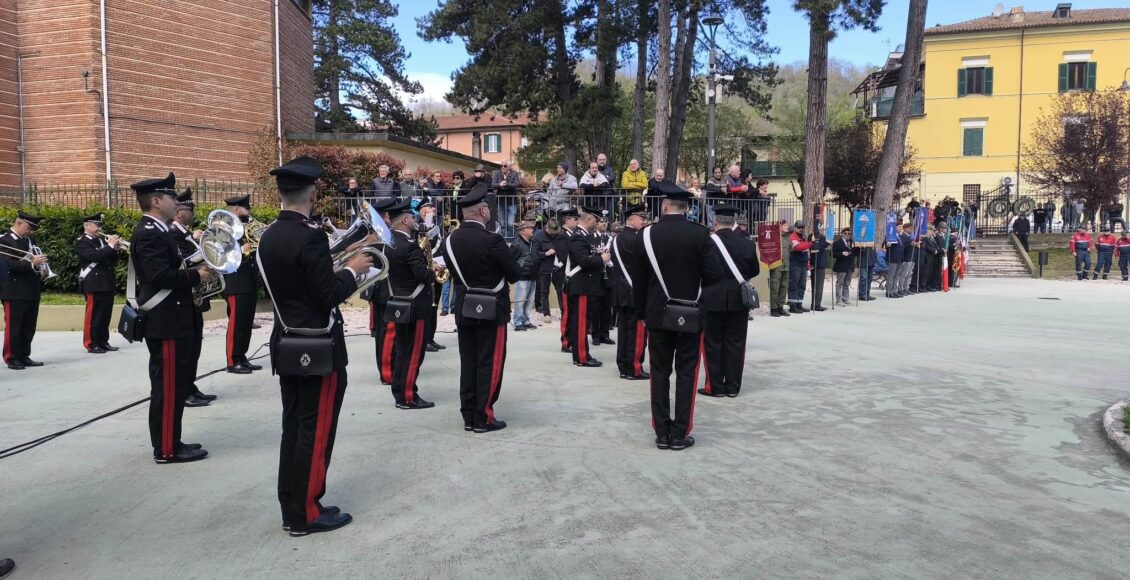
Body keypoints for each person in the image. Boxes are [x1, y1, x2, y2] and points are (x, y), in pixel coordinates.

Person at [258, 156, 372, 536]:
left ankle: (293, 503)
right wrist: (354, 269)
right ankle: (306, 512)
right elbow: (326, 295)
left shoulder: (270, 235)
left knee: (294, 427)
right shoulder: (310, 236)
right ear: (314, 190)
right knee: (316, 429)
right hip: (317, 347)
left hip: (286, 342)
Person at [130, 172, 216, 463]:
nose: (175, 202)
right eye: (170, 197)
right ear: (156, 200)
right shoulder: (149, 233)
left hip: (175, 320)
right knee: (167, 388)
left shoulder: (160, 230)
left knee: (175, 385)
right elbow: (158, 276)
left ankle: (172, 440)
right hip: (165, 323)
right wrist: (197, 275)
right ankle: (167, 449)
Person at [633, 181, 723, 450]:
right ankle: (681, 432)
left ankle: (662, 432)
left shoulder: (646, 235)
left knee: (659, 372)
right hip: (691, 314)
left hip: (657, 314)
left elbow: (639, 281)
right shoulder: (700, 235)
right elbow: (715, 276)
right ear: (686, 209)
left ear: (664, 205)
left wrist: (642, 313)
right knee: (687, 372)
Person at [439, 182, 522, 433]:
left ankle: (468, 414)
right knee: (489, 362)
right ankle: (483, 416)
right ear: (483, 211)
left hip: (465, 308)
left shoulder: (449, 241)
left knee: (469, 362)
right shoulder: (493, 240)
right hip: (492, 308)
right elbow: (514, 274)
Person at [383, 197, 437, 410]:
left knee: (402, 350)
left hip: (399, 302)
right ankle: (407, 396)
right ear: (404, 220)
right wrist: (433, 272)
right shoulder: (409, 246)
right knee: (413, 353)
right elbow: (422, 275)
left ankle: (400, 391)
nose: (415, 220)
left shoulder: (390, 244)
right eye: (412, 217)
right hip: (416, 306)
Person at [700, 204, 758, 398]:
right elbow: (754, 271)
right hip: (738, 298)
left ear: (715, 222)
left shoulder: (706, 243)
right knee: (736, 343)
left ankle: (715, 387)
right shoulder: (747, 244)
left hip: (711, 298)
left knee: (712, 343)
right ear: (733, 223)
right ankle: (733, 387)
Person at [169, 190, 216, 407]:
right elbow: (182, 264)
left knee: (194, 347)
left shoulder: (186, 233)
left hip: (195, 298)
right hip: (184, 297)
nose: (192, 213)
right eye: (189, 209)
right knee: (186, 350)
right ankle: (183, 391)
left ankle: (190, 386)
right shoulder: (173, 234)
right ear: (179, 212)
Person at [1, 211, 47, 370]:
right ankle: (11, 357)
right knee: (14, 326)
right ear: (19, 223)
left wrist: (41, 266)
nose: (32, 231)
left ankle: (24, 355)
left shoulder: (30, 240)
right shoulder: (4, 240)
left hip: (31, 288)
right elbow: (8, 266)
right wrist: (32, 263)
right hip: (14, 290)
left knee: (29, 325)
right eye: (29, 227)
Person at [221, 195, 261, 374]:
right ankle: (232, 360)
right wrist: (242, 249)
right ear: (237, 209)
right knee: (236, 324)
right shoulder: (223, 227)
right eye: (247, 208)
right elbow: (222, 252)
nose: (249, 211)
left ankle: (242, 356)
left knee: (246, 322)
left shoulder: (246, 227)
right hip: (235, 283)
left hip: (249, 280)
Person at [566, 206, 609, 368]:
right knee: (581, 323)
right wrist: (602, 259)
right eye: (595, 220)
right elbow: (583, 262)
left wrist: (599, 254)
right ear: (588, 219)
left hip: (588, 285)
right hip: (583, 285)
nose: (597, 223)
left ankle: (582, 354)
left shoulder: (585, 237)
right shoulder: (578, 237)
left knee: (584, 322)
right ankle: (582, 357)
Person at [74, 213, 121, 354]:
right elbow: (94, 256)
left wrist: (115, 249)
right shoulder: (82, 242)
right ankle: (91, 343)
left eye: (100, 225)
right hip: (93, 282)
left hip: (106, 281)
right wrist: (110, 245)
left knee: (105, 314)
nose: (99, 228)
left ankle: (103, 341)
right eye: (97, 225)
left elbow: (110, 260)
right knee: (93, 315)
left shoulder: (100, 241)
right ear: (87, 226)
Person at [611, 203, 648, 381]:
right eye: (641, 218)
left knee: (624, 330)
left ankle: (623, 366)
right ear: (631, 219)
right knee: (637, 331)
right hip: (634, 290)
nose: (644, 221)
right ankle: (634, 367)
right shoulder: (636, 239)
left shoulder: (617, 238)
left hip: (621, 290)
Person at [554, 209, 578, 351]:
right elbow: (565, 258)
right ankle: (565, 342)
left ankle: (570, 338)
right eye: (574, 219)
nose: (576, 222)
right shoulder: (563, 237)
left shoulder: (572, 235)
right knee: (567, 312)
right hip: (564, 278)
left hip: (571, 278)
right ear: (567, 220)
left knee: (572, 311)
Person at [509, 220, 538, 331]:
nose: (532, 230)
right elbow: (511, 260)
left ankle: (526, 320)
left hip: (532, 275)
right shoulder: (516, 244)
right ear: (522, 231)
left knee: (529, 301)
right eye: (529, 228)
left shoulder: (532, 242)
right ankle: (517, 322)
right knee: (520, 301)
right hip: (521, 277)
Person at [532, 219, 559, 323]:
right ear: (547, 228)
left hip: (557, 267)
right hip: (544, 267)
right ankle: (546, 313)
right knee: (544, 291)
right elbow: (534, 254)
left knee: (560, 290)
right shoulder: (539, 236)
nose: (553, 235)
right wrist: (546, 253)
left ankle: (563, 311)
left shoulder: (558, 235)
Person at [787, 220, 812, 313]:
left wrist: (808, 267)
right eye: (799, 227)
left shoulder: (803, 237)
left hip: (803, 264)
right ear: (795, 227)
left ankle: (799, 304)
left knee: (802, 285)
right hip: (795, 264)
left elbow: (806, 251)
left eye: (802, 227)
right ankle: (792, 306)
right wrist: (809, 243)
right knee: (794, 285)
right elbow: (798, 247)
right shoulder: (792, 237)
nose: (801, 229)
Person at [491, 161, 521, 237]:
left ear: (509, 167)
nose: (503, 167)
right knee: (502, 222)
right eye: (501, 166)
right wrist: (499, 185)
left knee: (510, 223)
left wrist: (506, 184)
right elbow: (493, 184)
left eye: (505, 166)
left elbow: (516, 184)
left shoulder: (514, 174)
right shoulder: (497, 174)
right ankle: (503, 238)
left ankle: (510, 238)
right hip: (500, 201)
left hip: (511, 201)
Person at [769, 220, 790, 317]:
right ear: (780, 226)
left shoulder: (787, 238)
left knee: (784, 287)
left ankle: (780, 307)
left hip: (786, 266)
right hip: (777, 266)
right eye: (785, 225)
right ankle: (773, 308)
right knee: (775, 287)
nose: (787, 227)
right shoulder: (774, 237)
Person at [832, 227, 856, 306]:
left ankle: (845, 298)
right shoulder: (837, 243)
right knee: (840, 283)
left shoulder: (852, 242)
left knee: (847, 283)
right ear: (842, 234)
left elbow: (856, 252)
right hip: (841, 265)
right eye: (846, 233)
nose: (847, 235)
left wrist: (860, 247)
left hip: (849, 265)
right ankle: (838, 300)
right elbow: (832, 254)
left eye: (849, 233)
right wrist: (842, 254)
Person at [809, 223, 829, 311]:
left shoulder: (821, 236)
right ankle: (816, 304)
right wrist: (826, 243)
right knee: (817, 285)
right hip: (816, 263)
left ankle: (817, 303)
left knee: (819, 285)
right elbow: (815, 247)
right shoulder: (813, 236)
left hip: (820, 263)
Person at [886, 223, 905, 298]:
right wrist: (888, 244)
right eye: (899, 226)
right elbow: (885, 245)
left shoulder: (899, 236)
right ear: (895, 227)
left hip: (899, 259)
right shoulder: (890, 235)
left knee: (896, 276)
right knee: (891, 276)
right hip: (893, 258)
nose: (901, 228)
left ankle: (894, 290)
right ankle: (889, 291)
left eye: (901, 227)